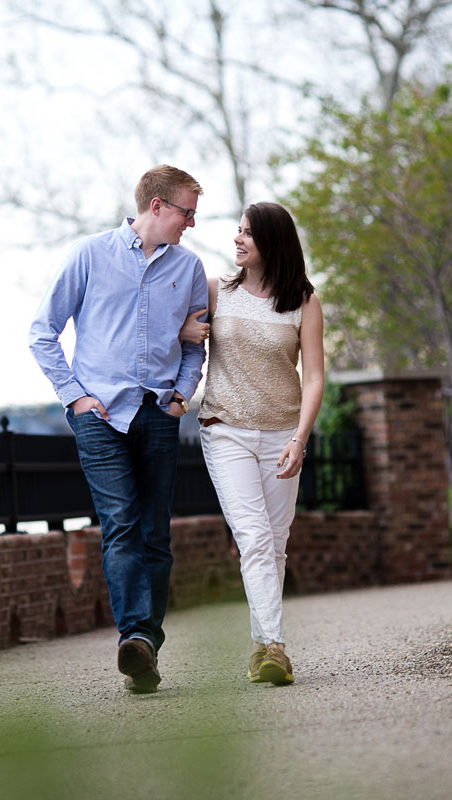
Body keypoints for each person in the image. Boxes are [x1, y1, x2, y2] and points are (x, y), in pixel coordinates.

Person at [29, 165, 208, 693]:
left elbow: (195, 343)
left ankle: (145, 648)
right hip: (100, 416)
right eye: (186, 212)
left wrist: (181, 395)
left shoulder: (190, 268)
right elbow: (43, 333)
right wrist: (76, 398)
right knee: (122, 524)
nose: (191, 223)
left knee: (155, 531)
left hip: (157, 412)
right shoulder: (90, 256)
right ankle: (135, 635)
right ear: (156, 206)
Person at [181, 201, 324, 686]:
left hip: (283, 434)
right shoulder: (217, 291)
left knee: (275, 542)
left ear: (273, 243)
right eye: (237, 231)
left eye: (247, 234)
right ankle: (277, 649)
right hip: (226, 429)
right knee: (255, 536)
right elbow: (176, 332)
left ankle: (261, 645)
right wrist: (185, 329)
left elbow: (315, 377)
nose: (236, 240)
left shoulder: (303, 301)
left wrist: (300, 439)